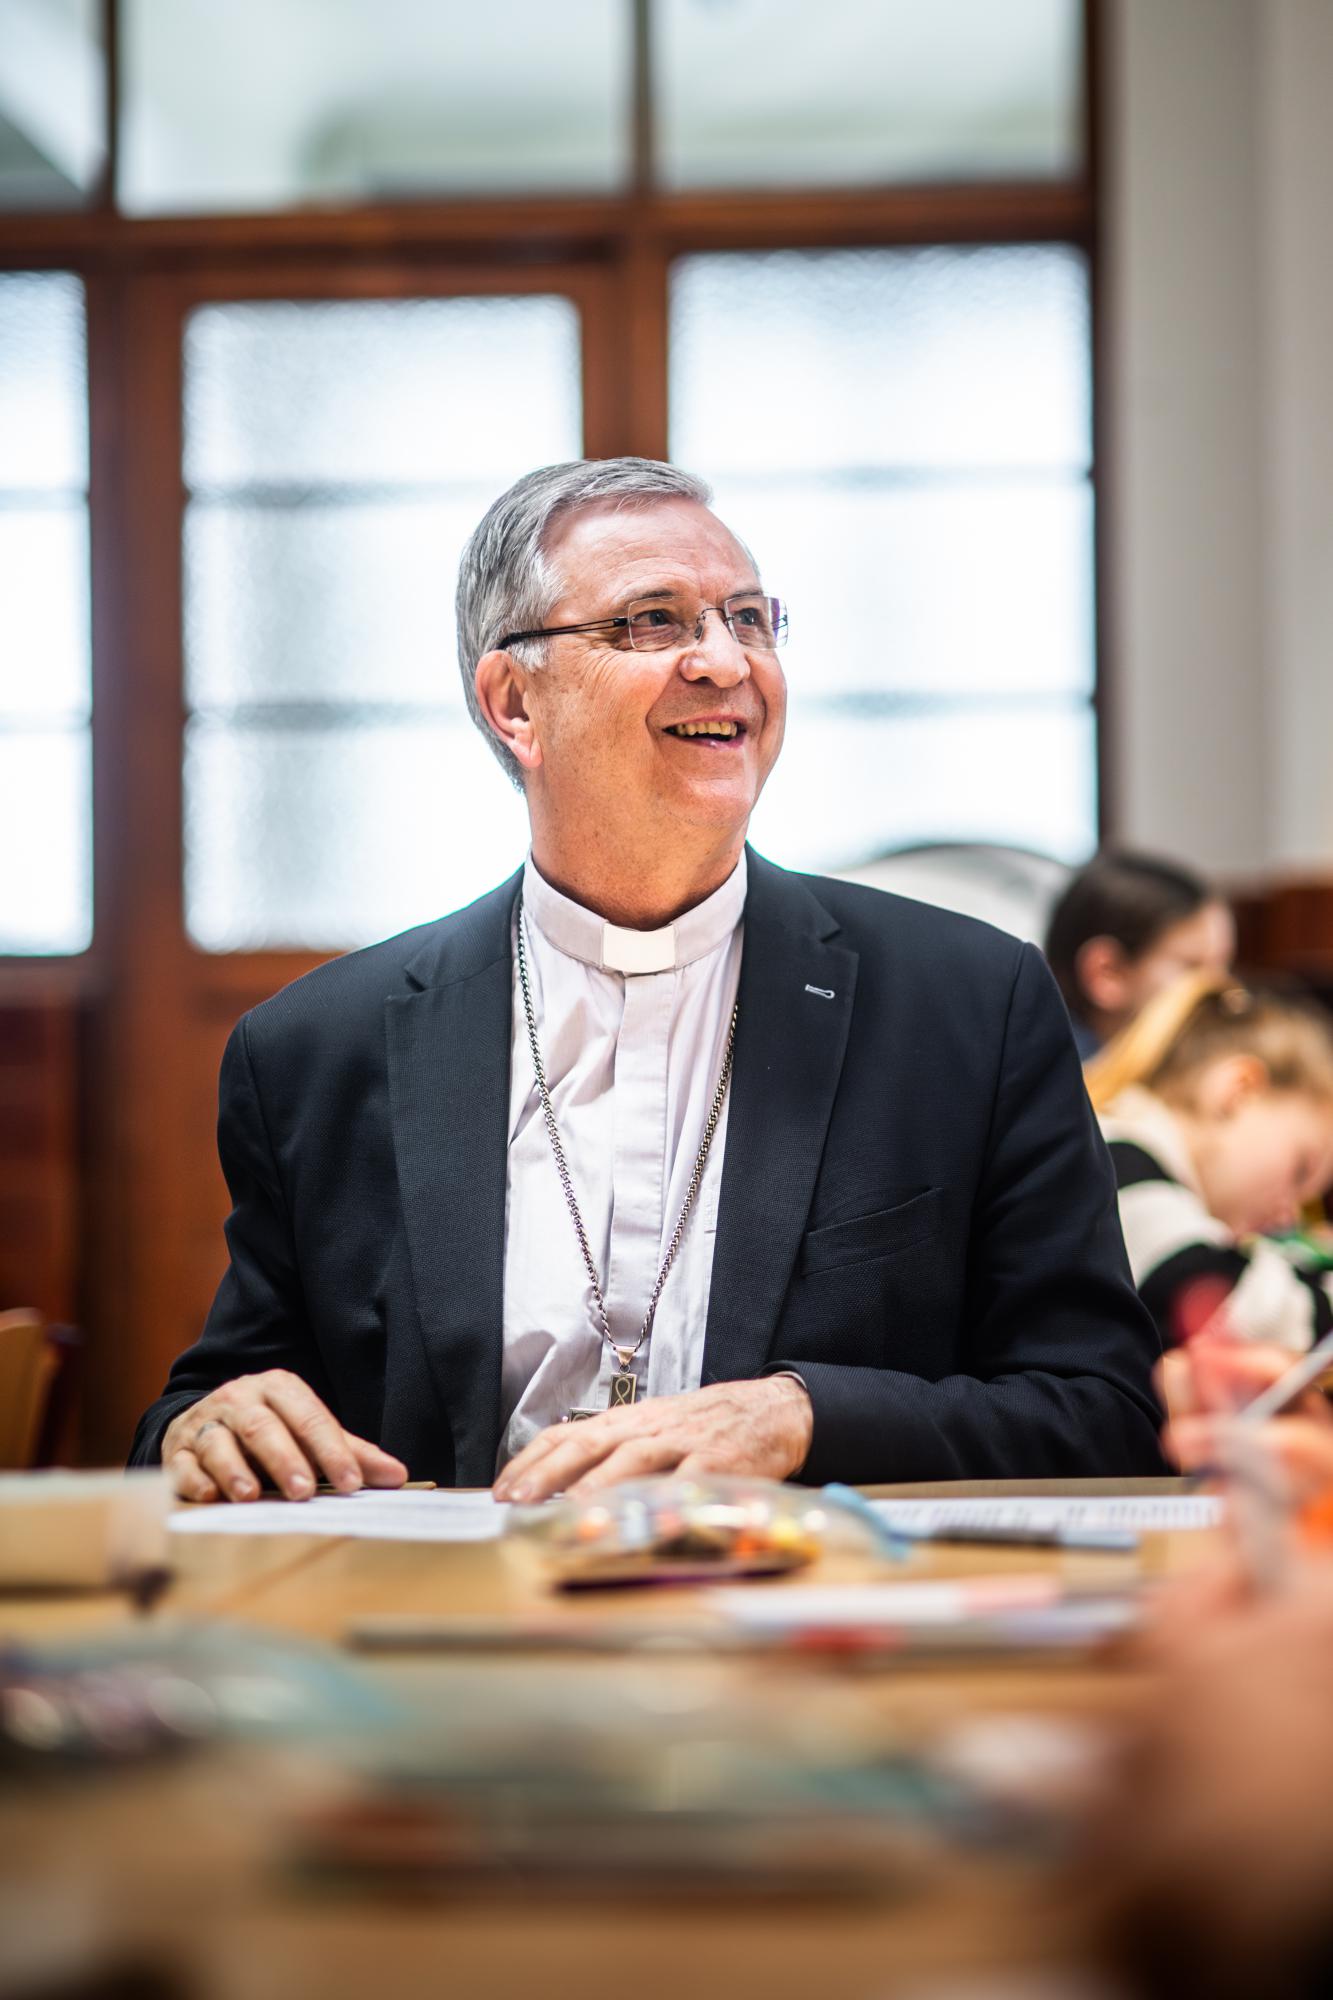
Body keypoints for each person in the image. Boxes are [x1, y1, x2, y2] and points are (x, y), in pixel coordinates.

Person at [129, 456, 1164, 1504]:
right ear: (513, 702)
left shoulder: (966, 1007)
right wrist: (205, 1424)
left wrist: (803, 1413)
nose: (725, 661)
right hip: (449, 1632)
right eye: (651, 621)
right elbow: (214, 1406)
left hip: (811, 1634)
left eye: (749, 618)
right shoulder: (315, 1051)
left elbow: (1104, 1410)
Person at [1086, 972, 1333, 1352]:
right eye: (1300, 1170)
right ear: (1238, 1092)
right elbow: (1238, 1312)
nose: (1288, 1216)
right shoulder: (1118, 1157)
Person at [1044, 849, 1234, 1060]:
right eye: (1193, 967)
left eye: (1224, 965)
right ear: (1107, 972)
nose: (1226, 993)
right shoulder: (1073, 1082)